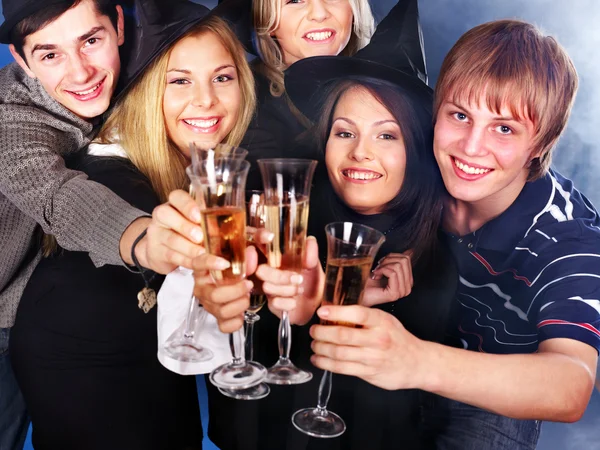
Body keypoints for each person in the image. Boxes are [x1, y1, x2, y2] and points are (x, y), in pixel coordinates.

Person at [306, 19, 600, 450]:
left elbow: (570, 384)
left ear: (540, 142)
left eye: (504, 128)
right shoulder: (421, 158)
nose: (470, 147)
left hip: (494, 386)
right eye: (460, 115)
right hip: (408, 342)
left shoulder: (567, 238)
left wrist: (415, 361)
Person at [190, 20, 457, 447]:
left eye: (387, 135)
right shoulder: (282, 216)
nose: (360, 152)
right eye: (344, 132)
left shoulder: (433, 261)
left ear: (417, 148)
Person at [8, 0, 256, 448]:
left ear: (118, 26)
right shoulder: (15, 123)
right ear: (21, 61)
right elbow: (58, 196)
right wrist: (142, 239)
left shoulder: (140, 135)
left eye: (90, 40)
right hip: (45, 352)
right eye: (50, 54)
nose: (81, 73)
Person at [242, 0, 429, 189]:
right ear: (268, 21)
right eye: (295, 0)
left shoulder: (383, 87)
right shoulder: (250, 105)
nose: (319, 13)